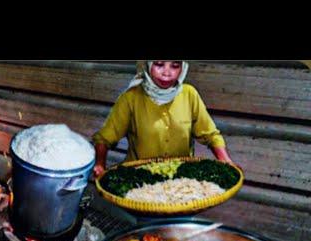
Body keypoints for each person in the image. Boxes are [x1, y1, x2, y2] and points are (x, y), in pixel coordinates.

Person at [92, 61, 233, 176]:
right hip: (139, 180)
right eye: (159, 64)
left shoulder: (189, 94)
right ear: (148, 64)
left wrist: (225, 160)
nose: (167, 73)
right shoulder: (131, 98)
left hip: (181, 181)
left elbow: (210, 134)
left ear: (183, 68)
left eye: (175, 66)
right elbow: (104, 138)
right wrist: (100, 164)